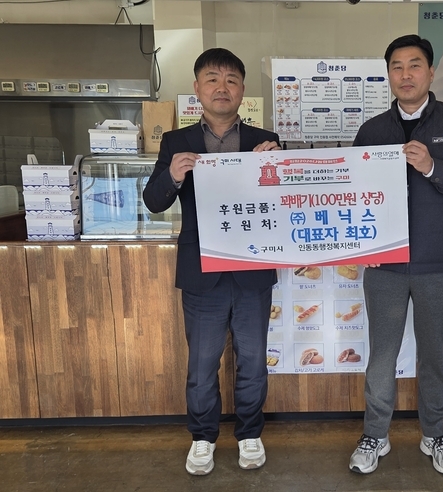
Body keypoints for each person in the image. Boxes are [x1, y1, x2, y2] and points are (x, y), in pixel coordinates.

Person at [348, 34, 443, 475]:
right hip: (384, 263)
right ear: (388, 75)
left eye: (414, 65)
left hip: (437, 261)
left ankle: (435, 434)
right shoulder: (373, 130)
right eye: (396, 66)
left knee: (433, 353)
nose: (406, 74)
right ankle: (376, 435)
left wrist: (432, 167)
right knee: (382, 356)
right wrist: (361, 244)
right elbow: (353, 192)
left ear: (430, 73)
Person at [143, 48, 280, 475]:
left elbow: (286, 203)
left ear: (242, 90)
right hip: (202, 273)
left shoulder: (264, 139)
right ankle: (202, 438)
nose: (222, 87)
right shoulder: (176, 142)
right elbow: (153, 201)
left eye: (231, 80)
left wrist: (278, 168)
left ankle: (250, 433)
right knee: (202, 366)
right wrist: (173, 175)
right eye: (213, 79)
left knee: (253, 362)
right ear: (198, 88)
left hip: (253, 269)